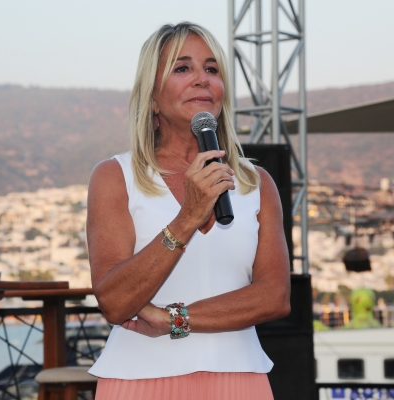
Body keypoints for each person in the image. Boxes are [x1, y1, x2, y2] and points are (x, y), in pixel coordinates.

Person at [86, 22, 290, 400]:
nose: (202, 79)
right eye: (182, 68)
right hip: (139, 382)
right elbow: (114, 302)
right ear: (151, 98)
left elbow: (274, 296)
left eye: (212, 69)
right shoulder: (115, 177)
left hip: (240, 379)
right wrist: (187, 219)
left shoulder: (256, 183)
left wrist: (174, 319)